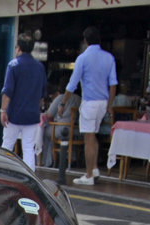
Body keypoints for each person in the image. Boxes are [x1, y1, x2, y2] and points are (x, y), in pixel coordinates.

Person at [65, 26, 117, 185]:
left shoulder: (82, 58)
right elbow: (113, 83)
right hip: (103, 103)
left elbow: (72, 84)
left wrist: (63, 103)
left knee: (88, 137)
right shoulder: (109, 57)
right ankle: (94, 168)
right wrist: (110, 105)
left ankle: (88, 175)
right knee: (93, 134)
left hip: (89, 102)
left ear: (85, 41)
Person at [0, 32, 47, 168]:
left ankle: (3, 173)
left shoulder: (13, 65)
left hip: (13, 114)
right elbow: (42, 94)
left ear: (19, 48)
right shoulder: (39, 67)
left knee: (7, 146)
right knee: (28, 148)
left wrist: (3, 110)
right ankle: (30, 179)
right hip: (32, 115)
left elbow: (7, 91)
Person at [39, 77, 81, 166]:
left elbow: (49, 114)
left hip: (61, 128)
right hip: (76, 129)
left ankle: (47, 160)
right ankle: (71, 157)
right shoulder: (79, 98)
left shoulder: (60, 98)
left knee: (43, 132)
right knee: (68, 136)